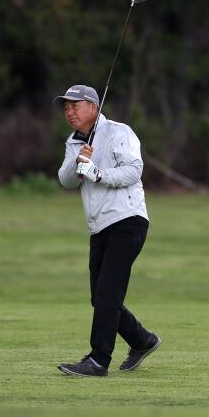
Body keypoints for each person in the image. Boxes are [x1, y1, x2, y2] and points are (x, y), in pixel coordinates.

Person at [54, 84, 161, 376]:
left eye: (75, 105)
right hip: (100, 226)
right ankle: (142, 340)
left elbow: (133, 170)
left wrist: (97, 173)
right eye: (66, 106)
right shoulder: (74, 141)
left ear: (93, 107)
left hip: (128, 221)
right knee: (99, 297)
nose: (69, 111)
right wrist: (78, 163)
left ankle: (99, 359)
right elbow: (67, 181)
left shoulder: (118, 131)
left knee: (107, 295)